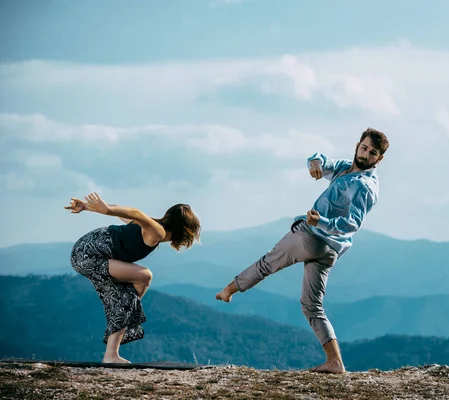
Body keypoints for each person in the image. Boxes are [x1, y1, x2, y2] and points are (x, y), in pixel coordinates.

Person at [216, 127, 389, 374]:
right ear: (358, 145)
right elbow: (322, 160)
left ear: (379, 159)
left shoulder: (364, 186)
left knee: (268, 264)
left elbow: (352, 223)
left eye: (372, 153)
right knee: (311, 305)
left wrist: (321, 222)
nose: (365, 154)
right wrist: (315, 163)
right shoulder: (346, 168)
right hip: (329, 251)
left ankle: (228, 290)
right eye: (364, 147)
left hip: (312, 236)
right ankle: (335, 362)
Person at [66, 192, 201, 364]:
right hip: (87, 254)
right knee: (144, 277)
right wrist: (104, 210)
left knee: (126, 297)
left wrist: (87, 206)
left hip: (88, 251)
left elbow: (124, 213)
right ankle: (126, 313)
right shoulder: (157, 231)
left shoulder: (151, 226)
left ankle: (111, 354)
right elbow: (135, 212)